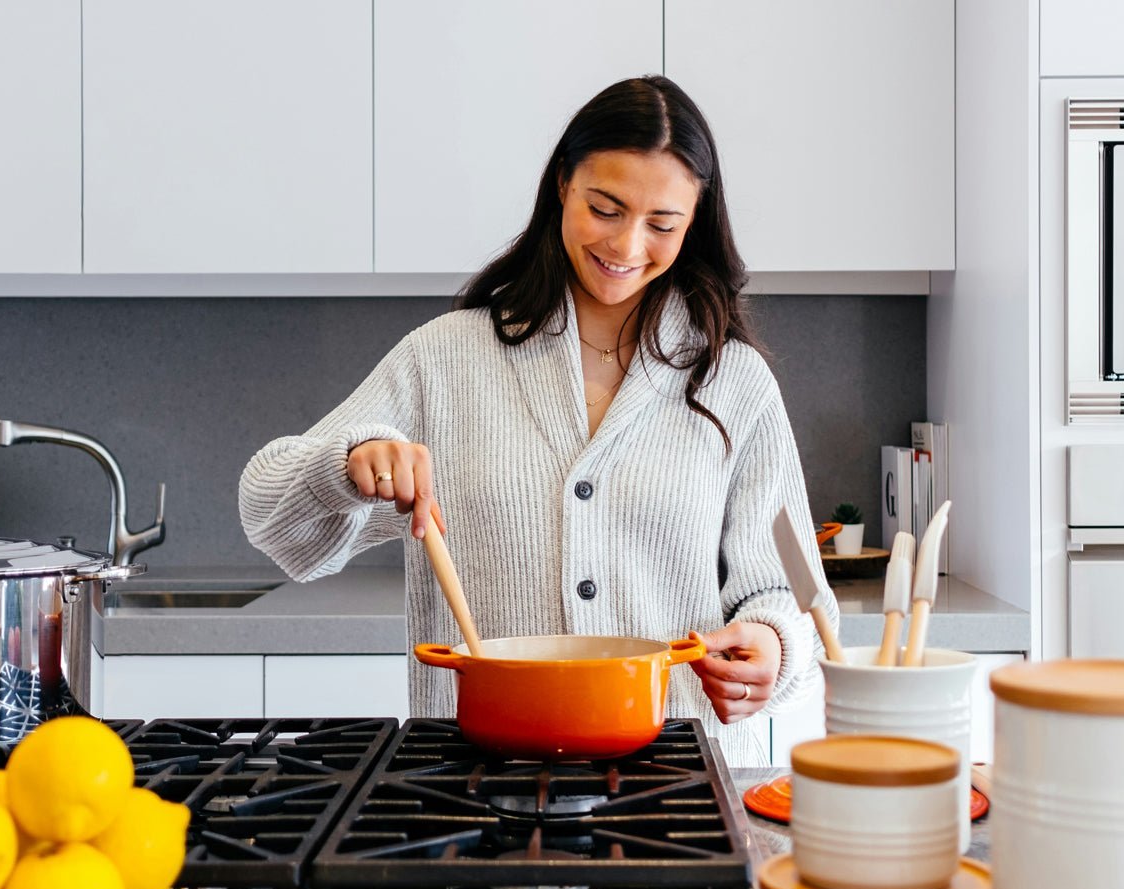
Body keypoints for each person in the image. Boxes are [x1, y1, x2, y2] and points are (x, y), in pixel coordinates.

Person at [238, 75, 836, 766]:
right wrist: (347, 464)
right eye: (605, 208)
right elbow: (270, 516)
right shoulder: (448, 358)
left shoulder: (733, 381)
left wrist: (770, 644)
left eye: (662, 224)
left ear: (695, 221)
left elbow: (790, 590)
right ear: (562, 185)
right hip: (470, 782)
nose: (628, 244)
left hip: (670, 785)